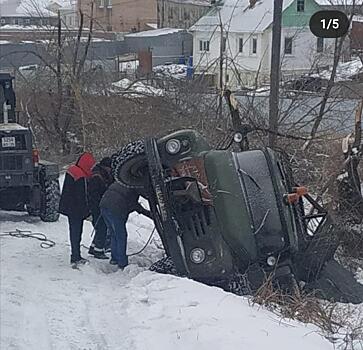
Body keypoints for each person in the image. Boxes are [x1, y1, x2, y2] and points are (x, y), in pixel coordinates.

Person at [100, 182, 151, 269]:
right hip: (116, 209)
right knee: (121, 236)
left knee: (113, 234)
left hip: (104, 205)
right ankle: (122, 262)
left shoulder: (122, 181)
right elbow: (134, 205)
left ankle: (114, 258)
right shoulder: (134, 188)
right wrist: (149, 214)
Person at [59, 152, 96, 266]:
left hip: (68, 207)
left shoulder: (72, 170)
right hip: (76, 210)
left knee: (73, 231)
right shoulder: (81, 177)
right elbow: (82, 196)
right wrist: (87, 213)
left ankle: (75, 254)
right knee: (76, 232)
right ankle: (76, 257)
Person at [87, 157, 114, 259]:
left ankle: (93, 247)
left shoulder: (99, 173)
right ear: (106, 167)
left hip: (97, 205)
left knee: (99, 227)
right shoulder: (97, 177)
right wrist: (100, 205)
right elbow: (94, 194)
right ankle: (98, 250)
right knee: (102, 227)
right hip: (97, 206)